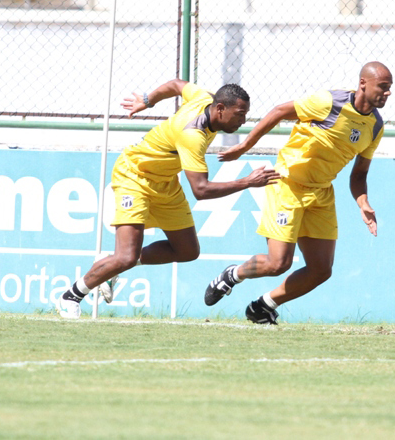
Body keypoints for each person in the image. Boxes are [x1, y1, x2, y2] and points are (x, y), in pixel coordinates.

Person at [57, 79, 282, 318]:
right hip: (135, 176)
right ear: (220, 109)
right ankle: (71, 295)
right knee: (126, 256)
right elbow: (201, 190)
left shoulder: (204, 96)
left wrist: (147, 101)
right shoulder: (193, 135)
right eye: (239, 114)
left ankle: (110, 265)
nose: (243, 121)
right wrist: (247, 182)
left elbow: (176, 84)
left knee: (187, 250)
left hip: (165, 182)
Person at [204, 61, 393, 324]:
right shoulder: (329, 102)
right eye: (382, 86)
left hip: (321, 193)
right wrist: (244, 145)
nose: (387, 92)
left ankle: (262, 307)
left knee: (321, 270)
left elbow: (359, 175)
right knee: (277, 264)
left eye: (389, 88)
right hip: (288, 185)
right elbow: (280, 111)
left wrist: (363, 203)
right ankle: (233, 275)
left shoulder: (375, 126)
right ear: (363, 83)